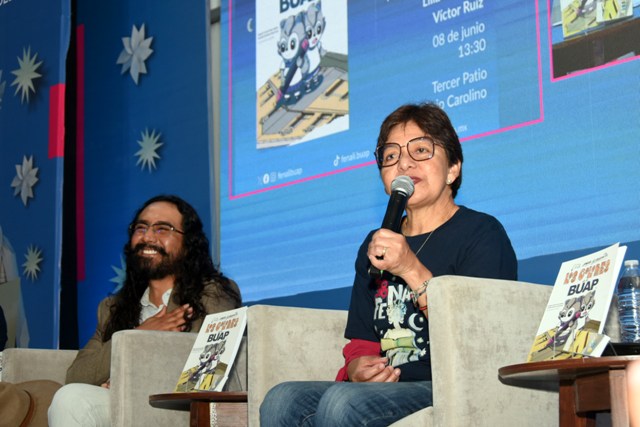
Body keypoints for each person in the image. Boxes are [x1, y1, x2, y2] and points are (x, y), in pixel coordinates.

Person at [259, 102, 518, 426]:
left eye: (421, 150)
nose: (404, 163)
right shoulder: (377, 243)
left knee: (343, 404)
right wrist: (357, 367)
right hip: (388, 387)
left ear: (453, 168)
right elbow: (363, 339)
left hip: (452, 384)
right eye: (391, 156)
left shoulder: (481, 233)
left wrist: (410, 268)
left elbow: (479, 337)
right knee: (282, 399)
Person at [48, 194, 241, 426]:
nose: (147, 237)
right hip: (120, 405)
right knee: (70, 396)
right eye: (141, 228)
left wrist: (128, 380)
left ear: (189, 244)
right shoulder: (111, 308)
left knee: (72, 400)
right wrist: (136, 335)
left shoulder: (213, 293)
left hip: (177, 408)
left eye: (162, 229)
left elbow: (211, 370)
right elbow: (76, 376)